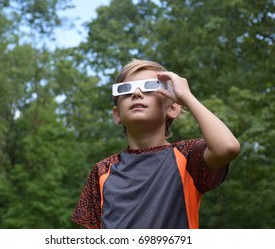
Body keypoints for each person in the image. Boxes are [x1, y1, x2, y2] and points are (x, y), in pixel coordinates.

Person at [71, 58, 240, 229]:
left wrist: (186, 97)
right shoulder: (101, 171)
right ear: (117, 114)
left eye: (149, 87)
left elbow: (227, 147)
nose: (136, 93)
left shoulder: (188, 157)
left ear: (172, 108)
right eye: (125, 89)